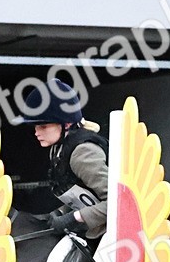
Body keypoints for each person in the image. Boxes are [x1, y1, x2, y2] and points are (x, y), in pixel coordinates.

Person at [13, 79, 109, 248]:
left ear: (66, 124)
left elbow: (119, 203)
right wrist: (59, 213)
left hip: (119, 235)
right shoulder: (59, 149)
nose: (36, 133)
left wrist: (75, 217)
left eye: (43, 126)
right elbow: (82, 194)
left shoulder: (83, 153)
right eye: (35, 126)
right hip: (96, 232)